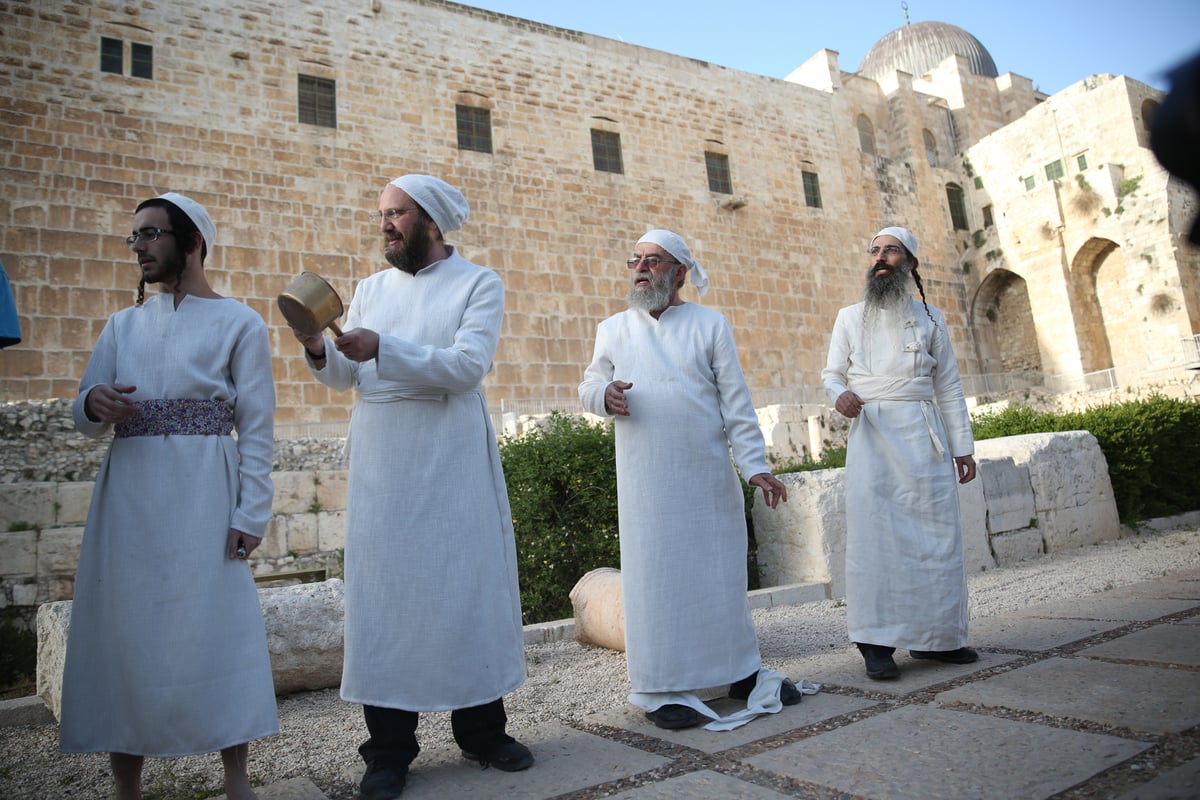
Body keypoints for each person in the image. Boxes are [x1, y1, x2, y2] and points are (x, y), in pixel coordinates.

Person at [291, 175, 530, 800]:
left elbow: (466, 366)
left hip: (450, 459)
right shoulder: (369, 289)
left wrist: (384, 347)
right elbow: (346, 377)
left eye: (397, 213)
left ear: (430, 221)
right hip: (384, 464)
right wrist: (319, 347)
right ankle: (389, 752)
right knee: (387, 599)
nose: (385, 224)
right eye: (381, 214)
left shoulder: (479, 283)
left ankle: (483, 732)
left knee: (463, 588)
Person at [59, 193, 277, 800]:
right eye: (134, 237)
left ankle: (237, 781)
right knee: (124, 632)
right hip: (128, 499)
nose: (141, 248)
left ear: (192, 243)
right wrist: (91, 402)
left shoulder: (240, 322)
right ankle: (125, 786)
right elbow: (83, 413)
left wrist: (251, 511)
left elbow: (257, 428)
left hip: (207, 497)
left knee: (218, 628)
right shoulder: (121, 325)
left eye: (152, 234)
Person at [579, 229, 805, 732]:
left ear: (679, 272)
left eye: (653, 261)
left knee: (718, 578)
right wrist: (605, 397)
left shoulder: (710, 325)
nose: (640, 268)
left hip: (705, 480)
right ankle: (660, 686)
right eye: (635, 260)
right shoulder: (613, 329)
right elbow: (589, 385)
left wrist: (756, 466)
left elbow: (737, 404)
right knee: (656, 582)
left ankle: (738, 673)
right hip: (647, 488)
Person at [821, 226, 978, 681]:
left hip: (924, 439)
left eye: (890, 250)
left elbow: (946, 384)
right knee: (877, 542)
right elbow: (832, 375)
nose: (880, 257)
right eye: (874, 250)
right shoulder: (849, 317)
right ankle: (876, 644)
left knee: (935, 539)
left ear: (909, 262)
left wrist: (962, 446)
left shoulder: (931, 317)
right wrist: (840, 396)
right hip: (873, 436)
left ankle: (940, 639)